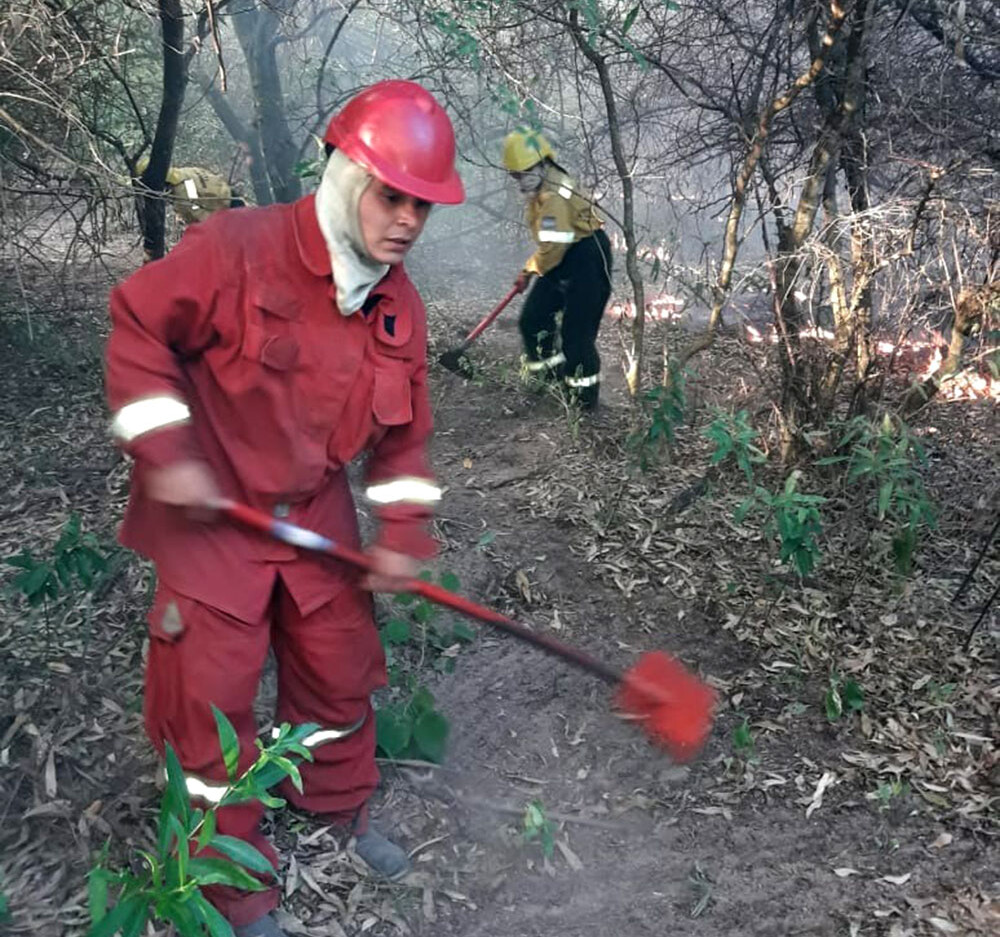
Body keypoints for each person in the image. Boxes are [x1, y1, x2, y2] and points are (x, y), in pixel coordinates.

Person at [106, 81, 464, 937]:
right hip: (214, 515)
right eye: (392, 196)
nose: (407, 220)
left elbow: (403, 444)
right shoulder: (237, 248)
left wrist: (402, 535)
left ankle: (335, 806)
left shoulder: (397, 308)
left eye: (422, 205)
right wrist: (169, 457)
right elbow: (137, 329)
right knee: (211, 701)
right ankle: (229, 883)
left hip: (313, 514)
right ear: (346, 177)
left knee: (339, 667)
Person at [502, 129, 612, 410]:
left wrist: (529, 270)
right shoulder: (542, 189)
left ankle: (584, 403)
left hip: (587, 257)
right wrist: (530, 271)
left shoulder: (554, 195)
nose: (521, 180)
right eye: (516, 175)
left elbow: (554, 246)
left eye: (525, 172)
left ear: (543, 164)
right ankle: (549, 381)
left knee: (577, 336)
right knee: (533, 319)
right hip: (564, 256)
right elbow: (553, 247)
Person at [135, 158, 247, 225]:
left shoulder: (184, 190)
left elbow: (199, 216)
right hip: (233, 197)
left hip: (228, 212)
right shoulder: (186, 171)